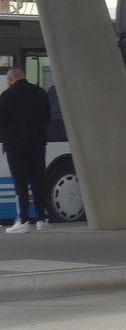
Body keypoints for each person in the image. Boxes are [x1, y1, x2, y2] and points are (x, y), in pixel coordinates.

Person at [0, 68, 52, 233]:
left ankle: (22, 220)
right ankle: (42, 219)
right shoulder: (40, 93)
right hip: (37, 145)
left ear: (10, 79)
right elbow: (47, 117)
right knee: (38, 181)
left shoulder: (7, 96)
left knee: (20, 183)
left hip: (15, 147)